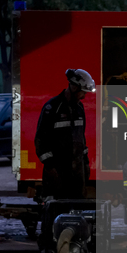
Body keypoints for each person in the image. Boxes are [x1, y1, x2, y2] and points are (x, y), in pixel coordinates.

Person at [34, 68, 95, 201]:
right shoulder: (52, 107)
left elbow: (81, 138)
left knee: (78, 209)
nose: (84, 96)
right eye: (82, 92)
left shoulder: (79, 108)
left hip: (77, 173)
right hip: (57, 172)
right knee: (56, 209)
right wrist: (50, 166)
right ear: (73, 87)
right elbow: (40, 140)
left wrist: (85, 163)